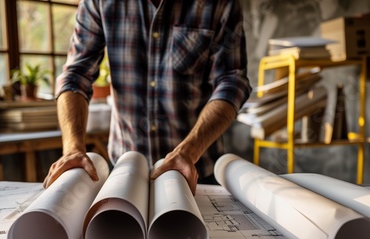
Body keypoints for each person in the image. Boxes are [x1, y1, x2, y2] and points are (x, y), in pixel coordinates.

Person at [43, 0, 251, 195]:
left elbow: (232, 82)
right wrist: (72, 149)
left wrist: (189, 151)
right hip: (125, 168)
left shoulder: (220, 3)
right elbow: (76, 75)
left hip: (196, 168)